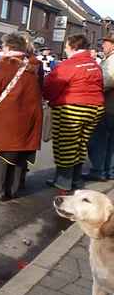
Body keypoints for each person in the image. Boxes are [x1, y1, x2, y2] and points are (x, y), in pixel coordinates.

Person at [0, 33, 43, 201]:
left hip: (7, 118)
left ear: (8, 47)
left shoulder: (2, 67)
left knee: (1, 153)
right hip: (29, 118)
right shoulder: (33, 67)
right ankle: (14, 189)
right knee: (20, 154)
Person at [43, 34, 105, 191]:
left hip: (71, 108)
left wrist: (48, 98)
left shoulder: (68, 65)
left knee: (65, 145)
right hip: (95, 108)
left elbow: (51, 87)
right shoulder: (94, 65)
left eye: (66, 46)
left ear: (72, 47)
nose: (65, 48)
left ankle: (63, 182)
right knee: (80, 144)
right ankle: (75, 180)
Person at [87, 34, 114, 181]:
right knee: (110, 142)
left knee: (99, 140)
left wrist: (90, 88)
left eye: (106, 43)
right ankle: (109, 171)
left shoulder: (112, 61)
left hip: (108, 107)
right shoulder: (108, 59)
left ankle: (98, 170)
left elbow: (108, 81)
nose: (103, 45)